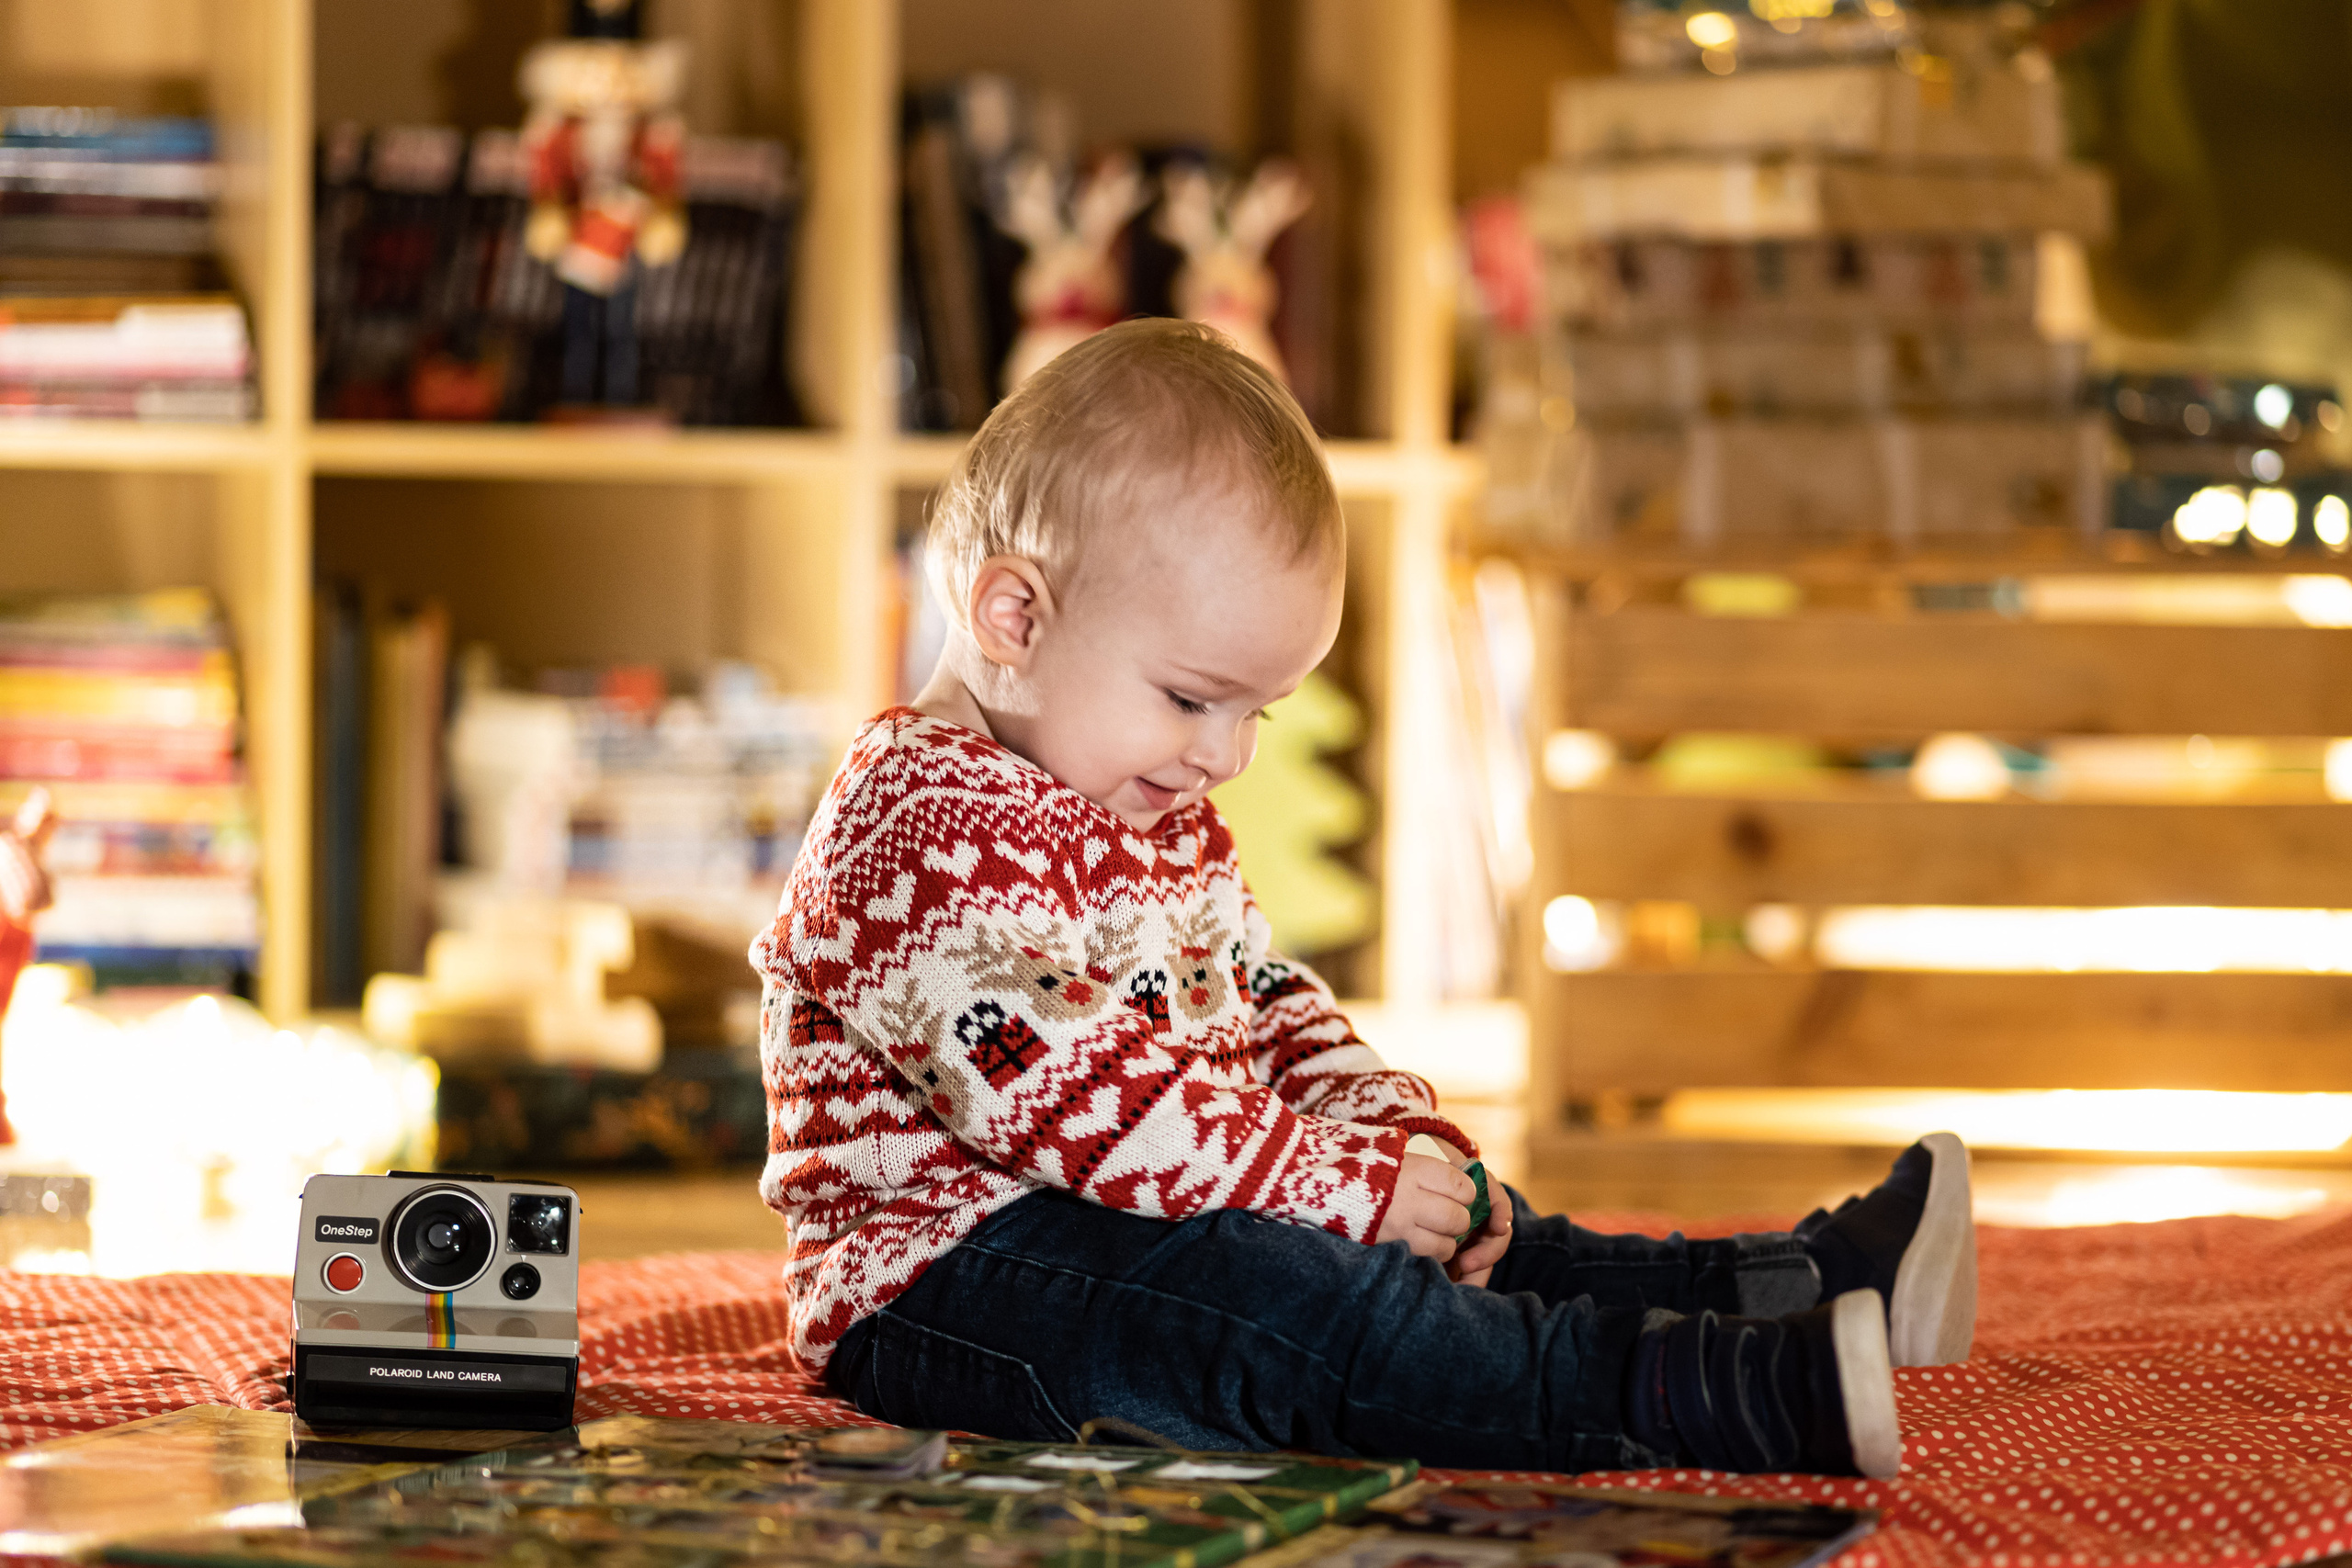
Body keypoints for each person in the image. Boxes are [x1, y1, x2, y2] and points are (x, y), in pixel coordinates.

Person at [750, 318, 1976, 1478]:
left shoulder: (1144, 806)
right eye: (1190, 699)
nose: (1225, 758)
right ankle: (1684, 1393)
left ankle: (1804, 1284)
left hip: (1156, 1211)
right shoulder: (912, 822)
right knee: (1297, 1307)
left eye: (1254, 715)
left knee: (1486, 1242)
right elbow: (1061, 1093)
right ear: (1014, 615)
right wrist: (1325, 1183)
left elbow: (1262, 1003)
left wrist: (1389, 1133)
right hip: (950, 1276)